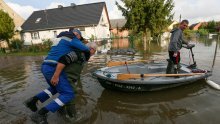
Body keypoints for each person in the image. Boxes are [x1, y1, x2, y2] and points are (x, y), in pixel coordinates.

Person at [24, 29, 97, 124]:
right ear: (76, 34)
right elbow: (65, 59)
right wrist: (56, 75)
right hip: (52, 68)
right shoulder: (73, 40)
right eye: (79, 38)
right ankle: (40, 114)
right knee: (68, 94)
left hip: (46, 65)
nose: (79, 41)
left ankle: (33, 101)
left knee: (55, 89)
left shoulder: (61, 39)